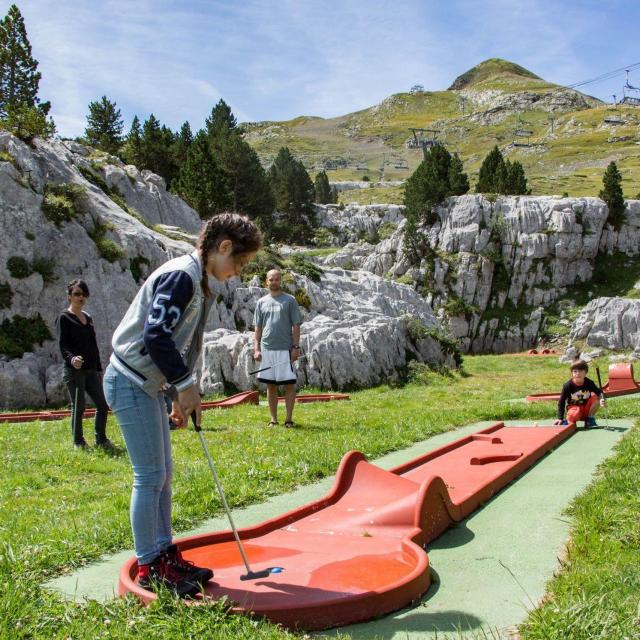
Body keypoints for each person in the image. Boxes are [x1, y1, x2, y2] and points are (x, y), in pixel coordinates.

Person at [103, 213, 261, 597]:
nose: (237, 272)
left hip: (149, 385)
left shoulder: (198, 279)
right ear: (222, 247)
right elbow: (156, 336)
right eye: (238, 262)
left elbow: (174, 343)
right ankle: (149, 565)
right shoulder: (182, 276)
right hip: (130, 381)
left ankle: (163, 554)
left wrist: (176, 393)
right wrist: (185, 387)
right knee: (149, 476)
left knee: (163, 474)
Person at [57, 279, 111, 450]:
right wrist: (72, 359)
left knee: (102, 405)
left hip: (90, 370)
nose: (81, 297)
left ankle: (101, 439)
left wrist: (99, 367)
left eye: (84, 294)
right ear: (69, 296)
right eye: (77, 294)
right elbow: (63, 344)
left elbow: (93, 345)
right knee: (78, 407)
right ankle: (78, 442)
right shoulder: (64, 318)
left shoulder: (88, 317)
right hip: (74, 371)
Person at [253, 269, 302, 428]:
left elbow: (296, 326)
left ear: (280, 281)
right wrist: (256, 348)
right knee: (270, 385)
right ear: (266, 281)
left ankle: (289, 419)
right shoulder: (261, 302)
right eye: (271, 279)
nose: (274, 282)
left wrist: (295, 347)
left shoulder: (290, 300)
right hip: (267, 349)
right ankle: (273, 419)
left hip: (285, 349)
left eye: (276, 279)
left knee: (289, 385)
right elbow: (258, 328)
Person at [553, 359, 606, 428]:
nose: (577, 373)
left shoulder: (589, 383)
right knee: (574, 413)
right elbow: (561, 401)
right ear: (572, 373)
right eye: (575, 371)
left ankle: (589, 420)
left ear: (585, 373)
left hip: (586, 409)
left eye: (580, 371)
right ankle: (568, 422)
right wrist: (560, 418)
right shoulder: (567, 386)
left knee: (596, 396)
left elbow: (599, 392)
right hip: (574, 408)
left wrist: (602, 399)